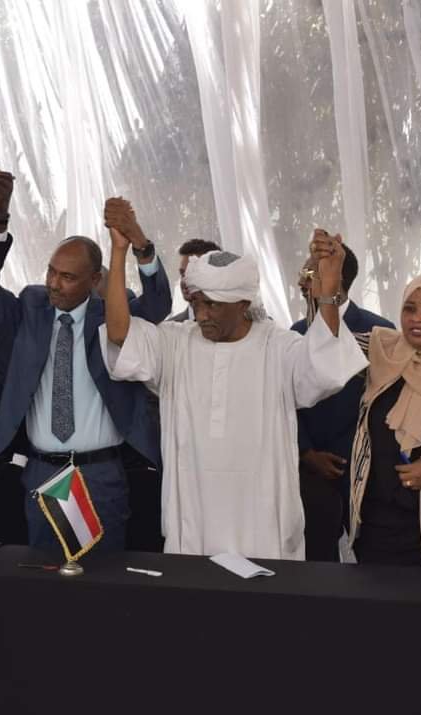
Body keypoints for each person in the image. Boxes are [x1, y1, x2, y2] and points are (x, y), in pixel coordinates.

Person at [103, 228, 368, 560]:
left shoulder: (278, 347)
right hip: (194, 527)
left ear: (243, 303)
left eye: (212, 304)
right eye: (196, 302)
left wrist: (327, 292)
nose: (201, 314)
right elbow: (119, 335)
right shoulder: (175, 342)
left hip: (263, 529)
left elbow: (324, 366)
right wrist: (118, 251)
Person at [0, 194, 172, 553]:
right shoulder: (30, 309)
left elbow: (158, 304)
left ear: (94, 280)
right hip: (41, 471)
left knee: (102, 574)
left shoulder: (111, 318)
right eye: (51, 272)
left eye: (68, 277)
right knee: (44, 573)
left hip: (99, 474)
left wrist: (139, 243)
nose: (55, 284)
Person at [348, 272, 421, 570]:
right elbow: (325, 349)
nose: (417, 318)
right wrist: (325, 292)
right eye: (409, 308)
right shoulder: (383, 350)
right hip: (377, 530)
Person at [291, 238, 393, 561]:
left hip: (365, 469)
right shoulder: (295, 333)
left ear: (337, 278)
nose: (302, 280)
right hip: (310, 472)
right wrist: (307, 453)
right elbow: (286, 401)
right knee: (317, 563)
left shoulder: (380, 332)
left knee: (373, 562)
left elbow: (387, 404)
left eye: (310, 272)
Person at [169, 239, 221, 322]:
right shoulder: (171, 327)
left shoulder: (236, 321)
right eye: (183, 274)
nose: (185, 281)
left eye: (192, 274)